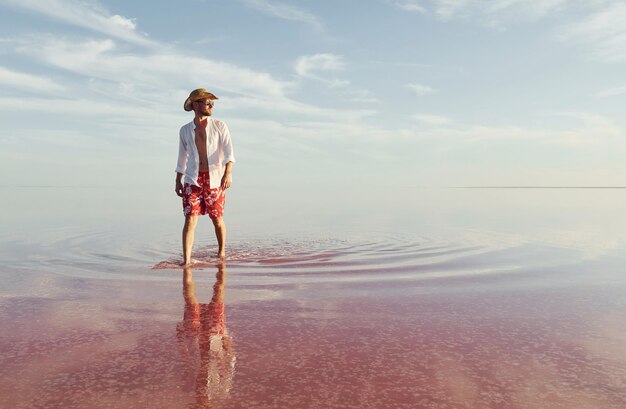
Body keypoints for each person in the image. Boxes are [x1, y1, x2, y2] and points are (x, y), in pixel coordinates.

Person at [175, 88, 236, 263]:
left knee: (217, 218)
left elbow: (229, 152)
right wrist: (178, 180)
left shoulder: (219, 125)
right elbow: (182, 156)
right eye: (207, 102)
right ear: (195, 104)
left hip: (215, 178)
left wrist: (228, 173)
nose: (211, 105)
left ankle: (221, 253)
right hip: (192, 179)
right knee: (189, 219)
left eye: (212, 103)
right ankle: (187, 261)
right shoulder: (185, 130)